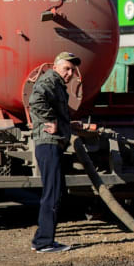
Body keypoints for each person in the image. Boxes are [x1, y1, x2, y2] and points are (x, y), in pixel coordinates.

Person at [29, 52, 81, 253]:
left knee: (56, 191)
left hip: (53, 144)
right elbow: (36, 99)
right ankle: (44, 242)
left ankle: (41, 240)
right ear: (56, 66)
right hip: (48, 144)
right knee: (52, 193)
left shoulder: (58, 84)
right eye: (66, 68)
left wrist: (66, 123)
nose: (70, 73)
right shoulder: (50, 79)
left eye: (72, 70)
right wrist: (52, 120)